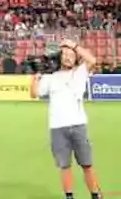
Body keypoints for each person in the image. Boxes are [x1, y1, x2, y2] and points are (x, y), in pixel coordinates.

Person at [31, 39, 102, 199]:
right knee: (65, 166)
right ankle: (69, 196)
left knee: (87, 164)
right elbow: (34, 93)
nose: (69, 57)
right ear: (59, 57)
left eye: (72, 55)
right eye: (65, 54)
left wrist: (73, 45)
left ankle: (95, 195)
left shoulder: (80, 72)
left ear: (76, 57)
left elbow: (92, 60)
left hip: (78, 126)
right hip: (57, 127)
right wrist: (35, 77)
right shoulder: (51, 77)